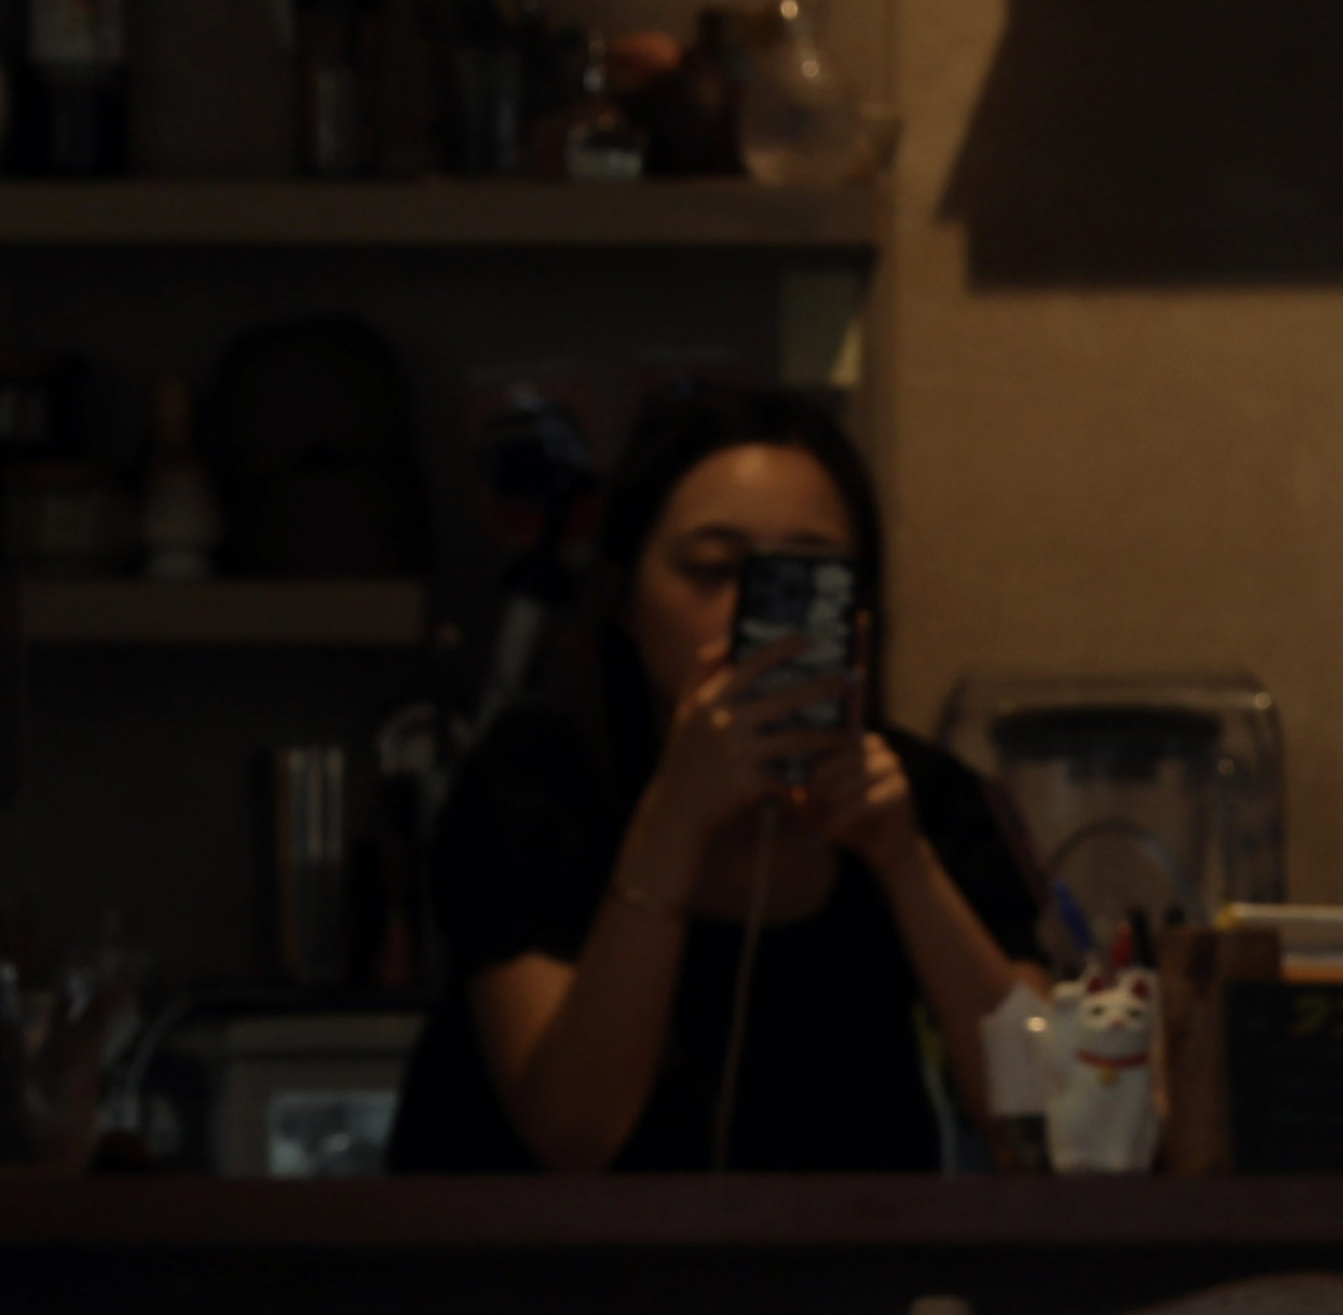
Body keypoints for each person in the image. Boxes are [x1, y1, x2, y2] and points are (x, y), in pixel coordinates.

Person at [389, 386, 1042, 1173]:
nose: (747, 615)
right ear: (626, 601)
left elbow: (1043, 1129)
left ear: (858, 610)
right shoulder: (532, 781)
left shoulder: (921, 795)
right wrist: (672, 824)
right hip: (549, 1286)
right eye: (710, 570)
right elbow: (571, 1131)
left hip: (848, 1283)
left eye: (807, 581)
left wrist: (908, 867)